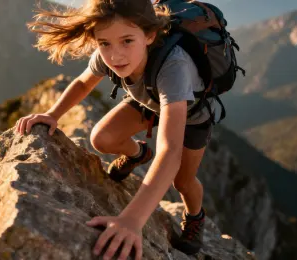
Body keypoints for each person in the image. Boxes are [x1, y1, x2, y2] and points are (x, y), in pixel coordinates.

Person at [15, 0, 215, 259]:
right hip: (149, 100)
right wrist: (52, 114)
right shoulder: (107, 55)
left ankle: (195, 217)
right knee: (101, 138)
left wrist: (132, 220)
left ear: (149, 35)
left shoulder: (173, 67)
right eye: (104, 43)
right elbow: (82, 83)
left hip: (190, 115)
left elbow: (170, 150)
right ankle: (137, 154)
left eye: (127, 41)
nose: (115, 55)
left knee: (182, 181)